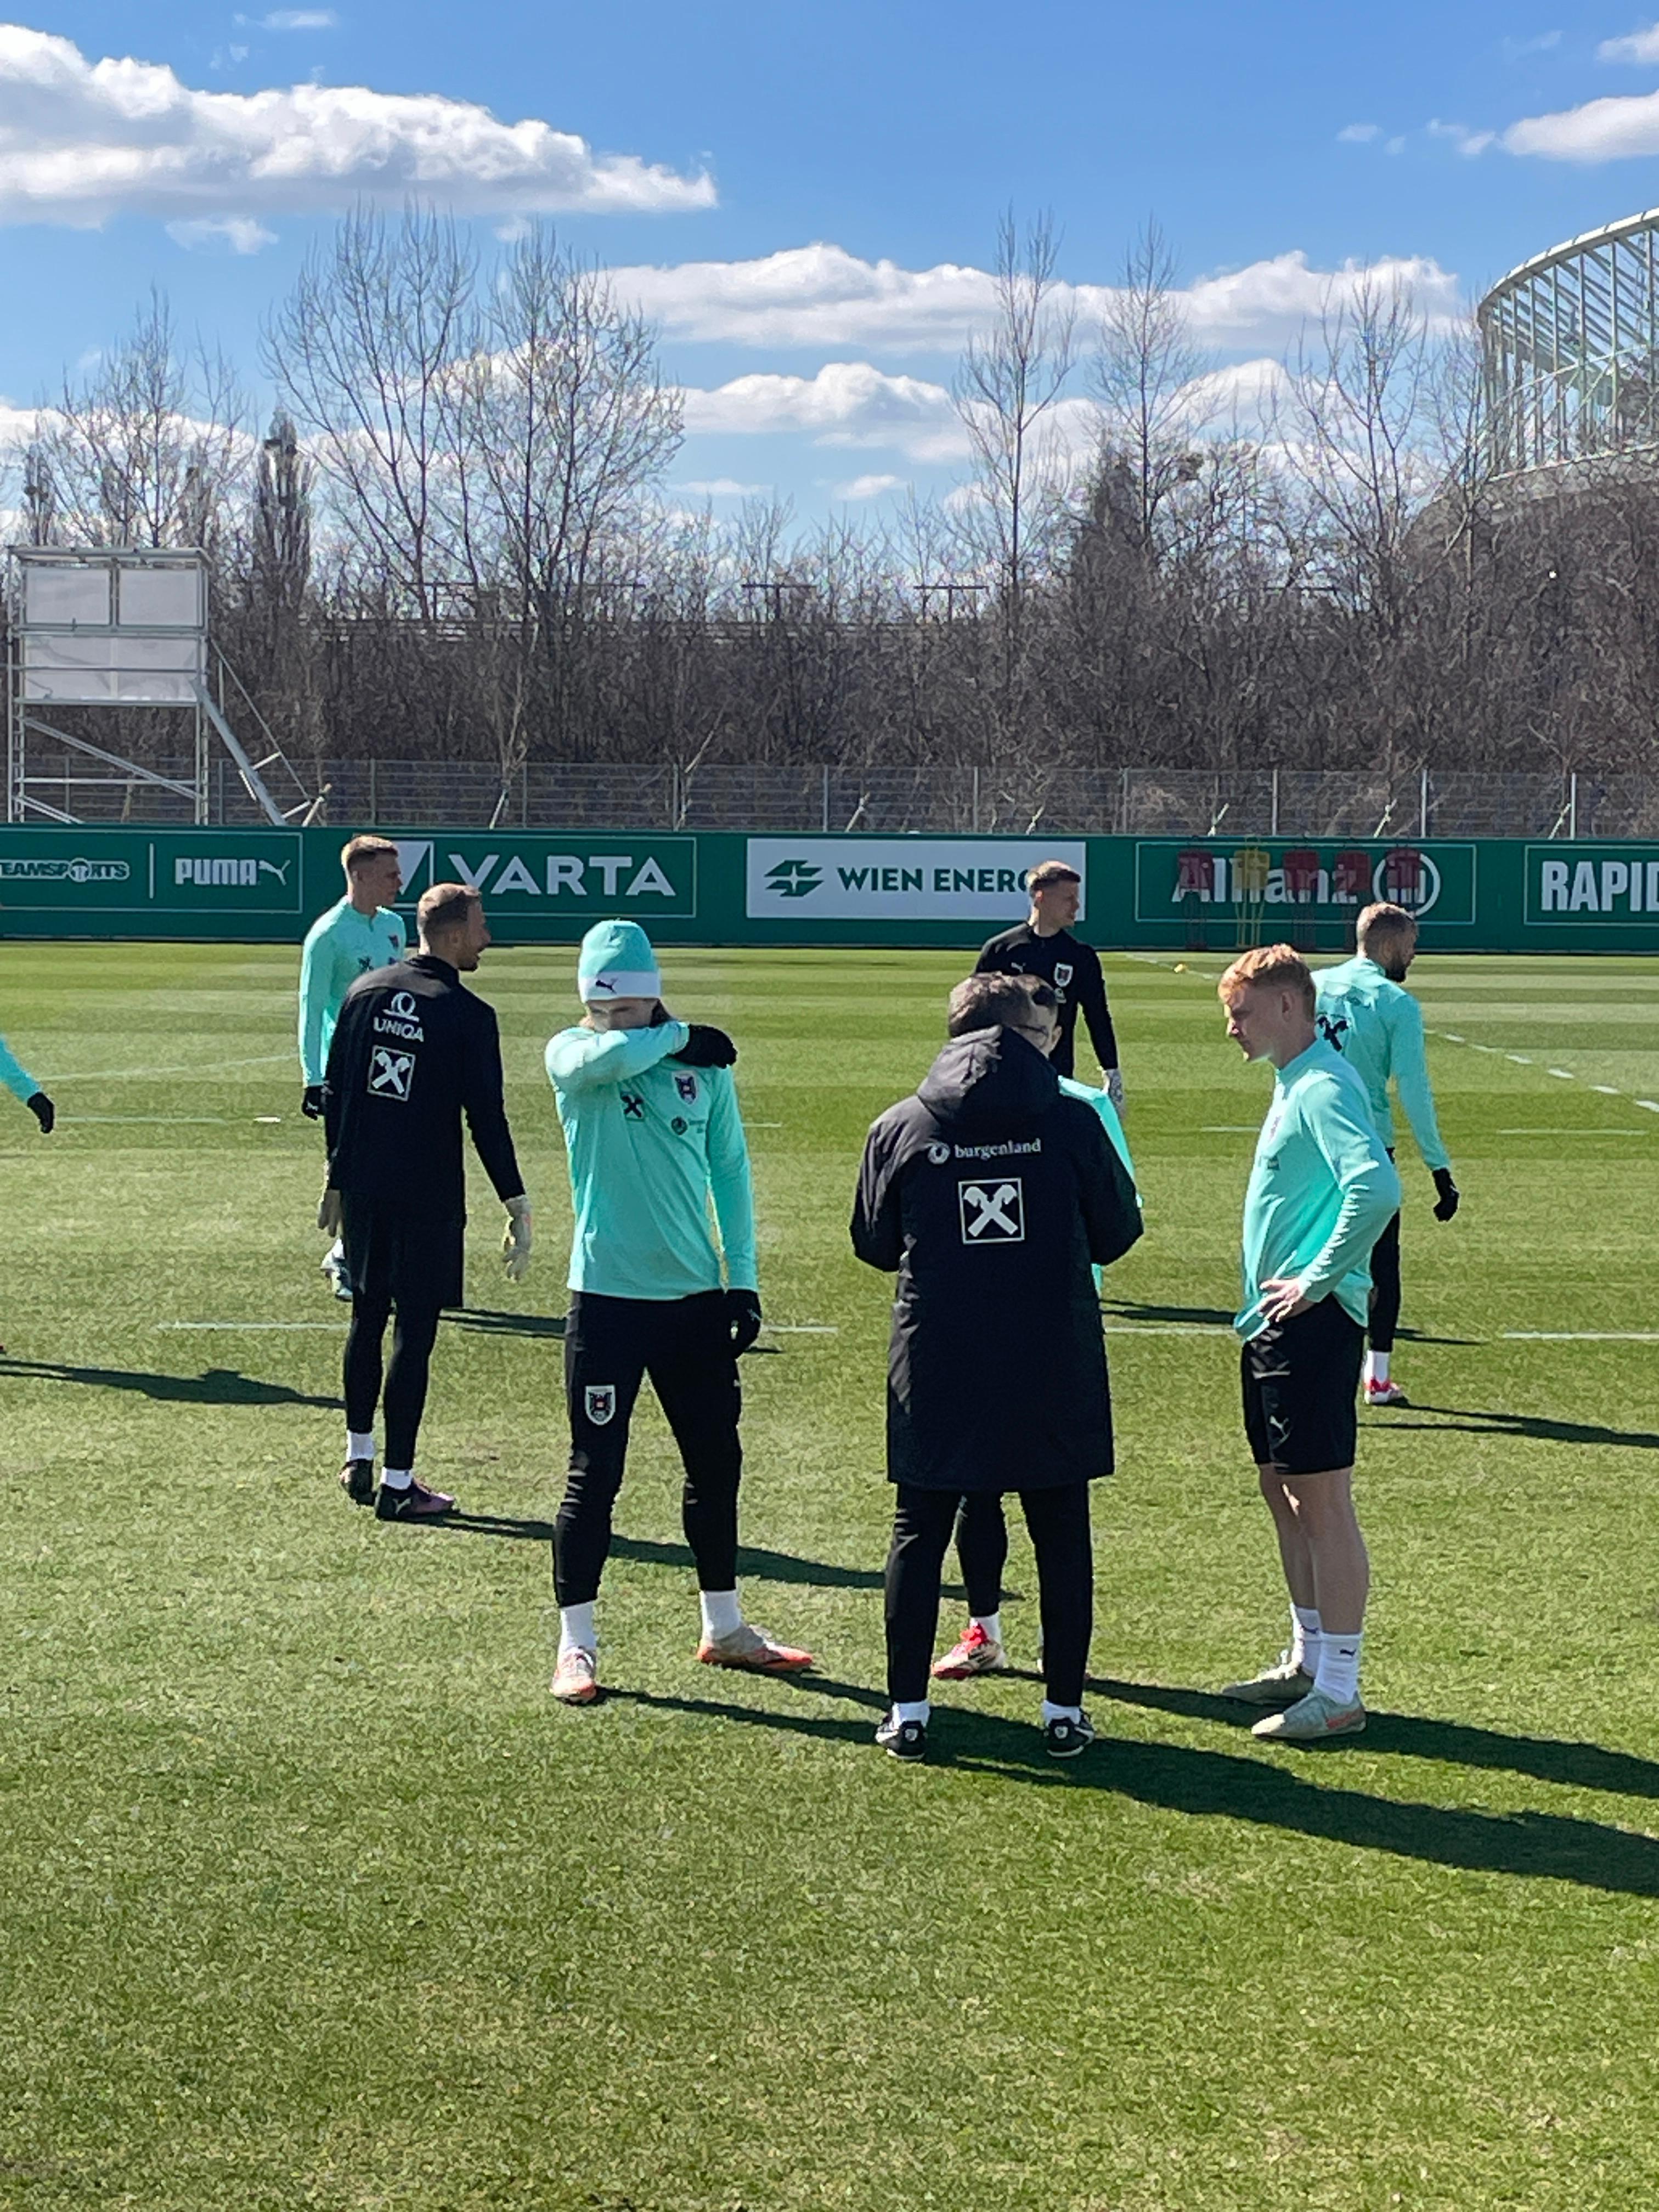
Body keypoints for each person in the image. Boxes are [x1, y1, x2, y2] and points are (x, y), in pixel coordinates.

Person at [851, 971, 1142, 1762]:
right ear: (1025, 1037)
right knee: (1061, 1531)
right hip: (1051, 1353)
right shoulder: (1074, 1121)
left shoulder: (901, 1124)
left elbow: (873, 1243)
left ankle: (908, 1712)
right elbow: (1118, 1233)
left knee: (918, 1531)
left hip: (938, 1359)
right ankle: (1063, 1710)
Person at [544, 919, 812, 1704]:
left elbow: (731, 1171)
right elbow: (603, 1058)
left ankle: (723, 1627)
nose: (613, 1023)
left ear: (652, 995)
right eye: (602, 1009)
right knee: (594, 1475)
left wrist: (744, 1282)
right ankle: (576, 1646)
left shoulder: (704, 1074)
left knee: (715, 1465)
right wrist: (676, 1034)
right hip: (606, 1301)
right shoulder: (574, 1052)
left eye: (627, 1008)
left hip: (693, 1301)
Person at [931, 977, 1141, 1681]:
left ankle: (1063, 1658)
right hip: (979, 1327)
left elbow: (1120, 1210)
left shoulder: (1080, 1107)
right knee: (977, 1491)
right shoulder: (944, 1106)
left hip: (1054, 1326)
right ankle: (983, 1629)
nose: (1042, 1044)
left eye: (1047, 1034)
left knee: (1054, 1500)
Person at [1217, 944, 1401, 1742]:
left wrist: (1317, 1281)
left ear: (1289, 1005)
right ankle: (1308, 1658)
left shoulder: (1322, 1084)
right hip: (1274, 1323)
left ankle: (1340, 1689)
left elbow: (1378, 1187)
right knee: (1281, 1487)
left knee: (1321, 1502)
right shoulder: (1297, 1078)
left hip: (1311, 1325)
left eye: (1242, 1012)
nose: (1232, 1027)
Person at [320, 882, 531, 1521]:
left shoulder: (365, 992)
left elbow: (336, 1092)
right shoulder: (468, 1014)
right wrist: (516, 1200)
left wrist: (336, 1175)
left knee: (366, 1318)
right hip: (427, 1194)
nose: (487, 940)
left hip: (365, 1187)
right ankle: (399, 1483)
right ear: (455, 933)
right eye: (481, 928)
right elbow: (486, 1120)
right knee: (413, 1333)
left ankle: (359, 1455)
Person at [1314, 902, 1459, 1408]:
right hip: (1367, 1145)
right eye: (1412, 946)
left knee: (1312, 1251)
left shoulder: (1312, 985)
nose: (1414, 956)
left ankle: (1311, 1367)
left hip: (1310, 1140)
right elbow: (1414, 1091)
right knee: (1381, 1262)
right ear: (1392, 943)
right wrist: (1438, 1166)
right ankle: (1376, 1379)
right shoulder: (1397, 1004)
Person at [298, 835, 407, 1298]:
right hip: (344, 1068)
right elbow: (310, 1007)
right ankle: (345, 1254)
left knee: (389, 1162)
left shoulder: (395, 927)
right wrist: (312, 1077)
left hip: (392, 1067)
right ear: (359, 876)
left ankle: (369, 1251)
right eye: (389, 875)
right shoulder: (328, 934)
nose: (399, 883)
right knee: (347, 1166)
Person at [975, 859, 1122, 1102]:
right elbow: (976, 1013)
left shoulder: (1081, 957)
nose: (1076, 906)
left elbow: (1098, 1016)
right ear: (1040, 898)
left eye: (1076, 898)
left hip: (1056, 1077)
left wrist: (1112, 1072)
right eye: (1068, 898)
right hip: (1002, 1075)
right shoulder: (999, 951)